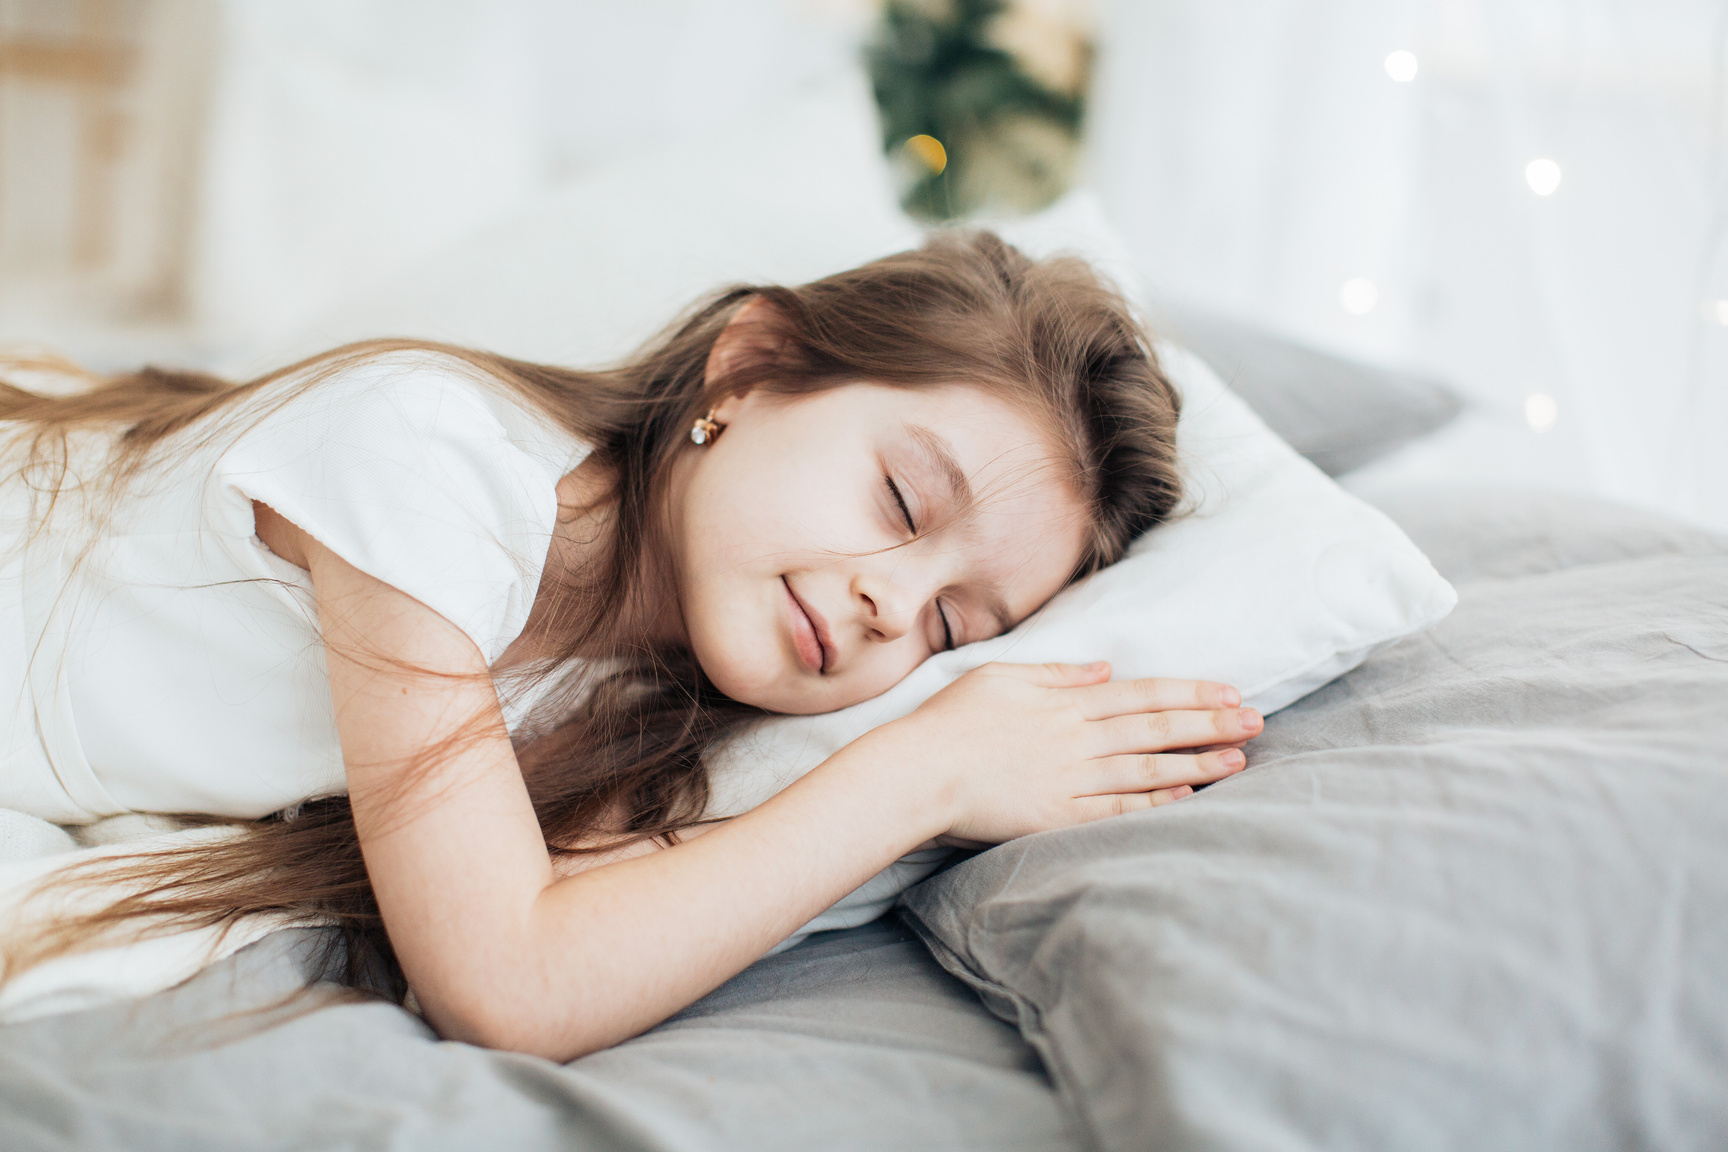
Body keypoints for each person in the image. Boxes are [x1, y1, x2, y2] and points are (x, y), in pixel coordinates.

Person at [0, 232, 1259, 1060]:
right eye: (901, 503)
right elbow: (510, 986)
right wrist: (926, 769)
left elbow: (600, 934)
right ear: (750, 368)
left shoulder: (649, 694)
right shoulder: (425, 460)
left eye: (952, 625)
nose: (891, 603)